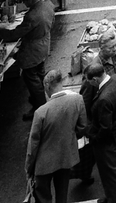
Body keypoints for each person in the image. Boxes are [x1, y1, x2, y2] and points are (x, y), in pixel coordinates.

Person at [25, 69, 87, 203]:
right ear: (62, 81)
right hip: (66, 156)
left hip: (44, 164)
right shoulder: (77, 99)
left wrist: (29, 168)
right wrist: (68, 139)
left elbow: (33, 145)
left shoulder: (41, 112)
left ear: (47, 86)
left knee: (43, 196)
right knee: (62, 193)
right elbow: (82, 127)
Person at [0, 0, 56, 120]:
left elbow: (16, 34)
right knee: (40, 74)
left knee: (32, 80)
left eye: (25, 1)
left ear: (30, 0)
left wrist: (1, 31)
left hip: (32, 51)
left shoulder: (32, 16)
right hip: (43, 44)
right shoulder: (48, 5)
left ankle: (40, 108)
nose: (24, 3)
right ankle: (42, 102)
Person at [82, 61, 116, 203]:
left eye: (89, 81)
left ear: (95, 79)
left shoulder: (103, 100)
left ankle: (113, 199)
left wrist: (92, 136)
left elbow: (105, 129)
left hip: (106, 142)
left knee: (110, 174)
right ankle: (110, 196)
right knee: (111, 171)